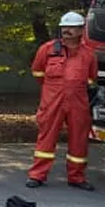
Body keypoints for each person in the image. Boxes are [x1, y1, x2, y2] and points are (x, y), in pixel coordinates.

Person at [25, 11, 98, 191]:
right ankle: (37, 176)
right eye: (64, 27)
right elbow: (37, 72)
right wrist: (55, 90)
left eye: (72, 27)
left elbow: (91, 80)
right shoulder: (47, 50)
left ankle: (77, 177)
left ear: (81, 30)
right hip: (52, 101)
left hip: (78, 102)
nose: (67, 30)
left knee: (79, 140)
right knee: (46, 138)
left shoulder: (88, 54)